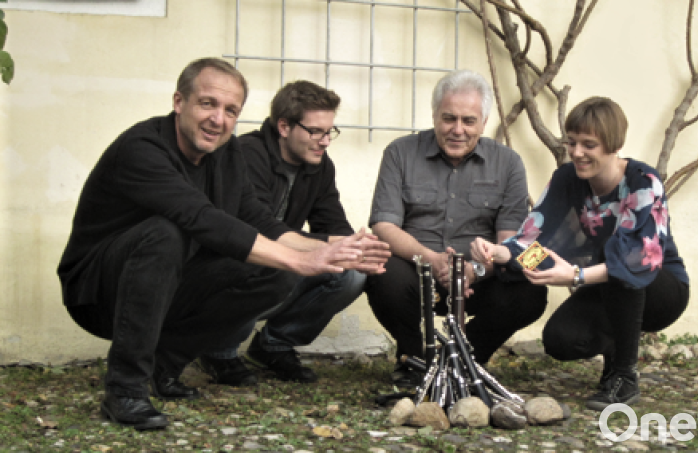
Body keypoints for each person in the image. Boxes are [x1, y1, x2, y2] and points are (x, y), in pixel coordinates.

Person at [57, 58, 389, 430]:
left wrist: (328, 250)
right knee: (166, 233)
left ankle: (166, 363)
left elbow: (256, 218)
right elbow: (201, 218)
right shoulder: (142, 147)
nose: (219, 119)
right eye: (208, 103)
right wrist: (302, 261)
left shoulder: (227, 153)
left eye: (231, 110)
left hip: (172, 282)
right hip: (99, 292)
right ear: (179, 102)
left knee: (275, 273)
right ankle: (125, 388)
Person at [470, 96, 689, 410]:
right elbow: (534, 237)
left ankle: (624, 377)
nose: (576, 153)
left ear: (613, 144)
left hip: (660, 288)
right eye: (571, 143)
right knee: (561, 339)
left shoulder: (643, 182)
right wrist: (499, 253)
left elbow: (641, 259)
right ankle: (616, 350)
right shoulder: (567, 179)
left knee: (622, 268)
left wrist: (576, 275)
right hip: (604, 284)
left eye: (589, 145)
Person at [365, 69, 548, 388]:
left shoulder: (509, 163)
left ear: (484, 120)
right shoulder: (400, 153)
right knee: (379, 268)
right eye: (449, 118)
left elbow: (511, 242)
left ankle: (466, 359)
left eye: (469, 121)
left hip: (480, 279)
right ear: (434, 115)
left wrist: (475, 269)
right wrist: (432, 260)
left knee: (529, 290)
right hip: (416, 274)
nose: (458, 130)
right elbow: (383, 225)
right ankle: (412, 358)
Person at [198, 80, 374, 385]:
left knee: (351, 272)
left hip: (285, 262)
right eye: (315, 131)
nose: (325, 141)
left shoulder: (319, 166)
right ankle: (218, 350)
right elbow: (255, 229)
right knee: (268, 266)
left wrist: (354, 246)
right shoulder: (245, 154)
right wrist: (332, 244)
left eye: (329, 131)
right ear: (284, 126)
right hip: (237, 262)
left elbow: (332, 223)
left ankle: (274, 345)